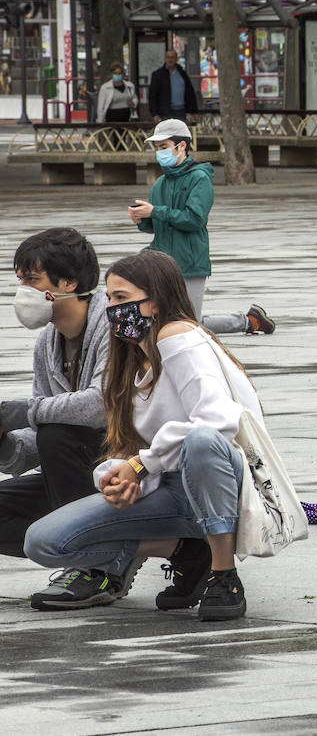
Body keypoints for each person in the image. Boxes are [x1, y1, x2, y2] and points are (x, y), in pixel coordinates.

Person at [25, 250, 261, 620]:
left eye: (121, 298)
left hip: (223, 484)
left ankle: (223, 574)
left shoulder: (179, 336)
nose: (111, 309)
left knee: (201, 442)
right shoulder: (133, 361)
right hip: (170, 493)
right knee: (43, 542)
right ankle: (187, 550)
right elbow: (129, 444)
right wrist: (117, 475)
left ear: (155, 300)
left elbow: (217, 421)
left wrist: (142, 464)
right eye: (110, 297)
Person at [3, 229, 126, 610]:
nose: (22, 290)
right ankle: (77, 547)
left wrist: (25, 410)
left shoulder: (114, 325)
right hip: (75, 467)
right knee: (52, 434)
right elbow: (35, 446)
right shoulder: (47, 343)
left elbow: (100, 406)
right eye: (20, 279)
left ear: (68, 282)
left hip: (128, 464)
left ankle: (99, 565)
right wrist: (4, 439)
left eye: (32, 280)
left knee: (57, 431)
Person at [127, 118, 274, 337]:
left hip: (190, 261)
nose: (159, 152)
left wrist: (155, 212)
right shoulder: (160, 183)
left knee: (189, 323)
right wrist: (141, 219)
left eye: (164, 147)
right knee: (170, 320)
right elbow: (155, 225)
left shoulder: (199, 178)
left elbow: (194, 219)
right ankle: (249, 321)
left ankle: (249, 321)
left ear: (182, 146)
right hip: (161, 263)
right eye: (157, 148)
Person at [147, 49, 199, 122]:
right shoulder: (158, 75)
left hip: (181, 112)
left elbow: (190, 93)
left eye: (172, 57)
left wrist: (194, 111)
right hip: (165, 113)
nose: (170, 60)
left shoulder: (182, 73)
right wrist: (154, 114)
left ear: (176, 59)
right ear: (165, 59)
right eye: (168, 57)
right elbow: (152, 96)